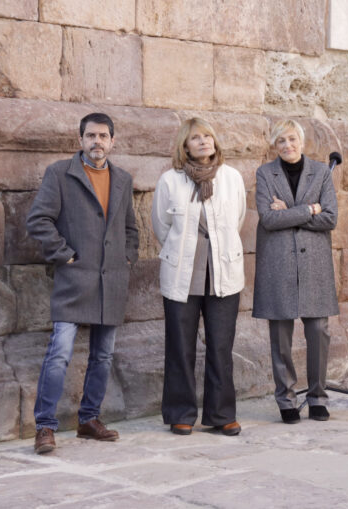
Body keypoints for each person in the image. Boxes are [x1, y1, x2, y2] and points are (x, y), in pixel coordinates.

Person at [27, 113, 139, 454]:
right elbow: (39, 220)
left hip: (111, 280)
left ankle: (89, 420)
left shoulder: (122, 179)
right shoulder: (60, 173)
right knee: (59, 353)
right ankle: (45, 426)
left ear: (112, 141)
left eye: (103, 136)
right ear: (81, 140)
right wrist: (65, 255)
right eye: (91, 135)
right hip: (74, 279)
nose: (97, 141)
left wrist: (127, 257)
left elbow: (130, 228)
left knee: (103, 355)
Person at [151, 117, 246, 437]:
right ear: (185, 146)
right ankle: (180, 413)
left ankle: (221, 414)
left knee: (221, 346)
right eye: (196, 138)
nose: (204, 141)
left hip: (223, 272)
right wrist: (183, 252)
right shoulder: (170, 181)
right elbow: (162, 226)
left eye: (208, 136)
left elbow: (238, 219)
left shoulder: (231, 178)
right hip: (183, 272)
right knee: (180, 347)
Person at [252, 119, 339, 424]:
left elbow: (330, 218)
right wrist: (309, 209)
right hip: (278, 263)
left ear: (301, 141)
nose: (287, 145)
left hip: (315, 263)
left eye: (291, 139)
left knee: (319, 332)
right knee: (280, 335)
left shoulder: (321, 172)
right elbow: (268, 219)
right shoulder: (265, 173)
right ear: (274, 145)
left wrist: (288, 213)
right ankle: (286, 400)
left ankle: (317, 397)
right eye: (281, 141)